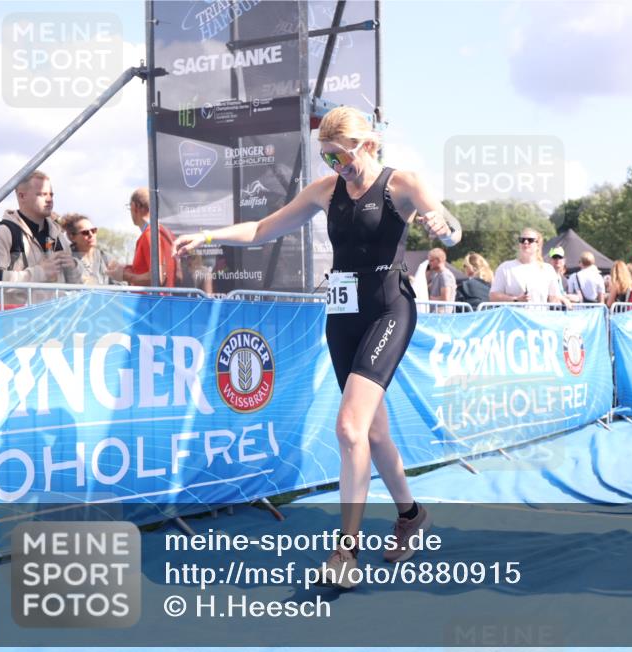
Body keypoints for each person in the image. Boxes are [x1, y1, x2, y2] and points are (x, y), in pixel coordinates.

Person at [174, 105, 462, 588]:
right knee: (371, 433)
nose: (336, 167)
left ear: (367, 144)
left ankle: (345, 552)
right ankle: (411, 515)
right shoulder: (326, 193)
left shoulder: (402, 184)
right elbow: (263, 229)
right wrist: (207, 234)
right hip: (343, 315)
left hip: (390, 307)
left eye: (342, 156)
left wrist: (444, 227)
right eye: (327, 158)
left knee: (349, 427)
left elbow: (449, 227)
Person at [0, 170, 77, 305]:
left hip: (58, 321)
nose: (49, 199)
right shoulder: (4, 232)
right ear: (21, 196)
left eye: (51, 194)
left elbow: (78, 283)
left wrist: (74, 267)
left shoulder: (58, 235)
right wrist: (40, 272)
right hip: (18, 323)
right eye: (42, 194)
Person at [490, 228, 571, 307]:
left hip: (537, 319)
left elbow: (554, 297)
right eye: (522, 240)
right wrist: (516, 300)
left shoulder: (547, 269)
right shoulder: (505, 267)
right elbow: (493, 296)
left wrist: (564, 300)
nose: (525, 242)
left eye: (530, 240)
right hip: (512, 319)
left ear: (538, 245)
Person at [124, 187, 178, 287]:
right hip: (168, 300)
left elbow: (157, 277)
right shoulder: (167, 233)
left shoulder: (150, 234)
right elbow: (176, 274)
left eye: (129, 207)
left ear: (134, 207)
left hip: (152, 301)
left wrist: (125, 276)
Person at [61, 213, 123, 285]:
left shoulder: (106, 258)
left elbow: (121, 286)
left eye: (93, 230)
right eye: (85, 232)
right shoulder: (66, 260)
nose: (91, 235)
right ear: (72, 237)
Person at [426, 247, 456, 312]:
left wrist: (430, 299)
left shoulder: (445, 275)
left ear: (439, 260)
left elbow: (445, 299)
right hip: (437, 316)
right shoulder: (437, 275)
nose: (429, 263)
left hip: (441, 317)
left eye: (431, 260)